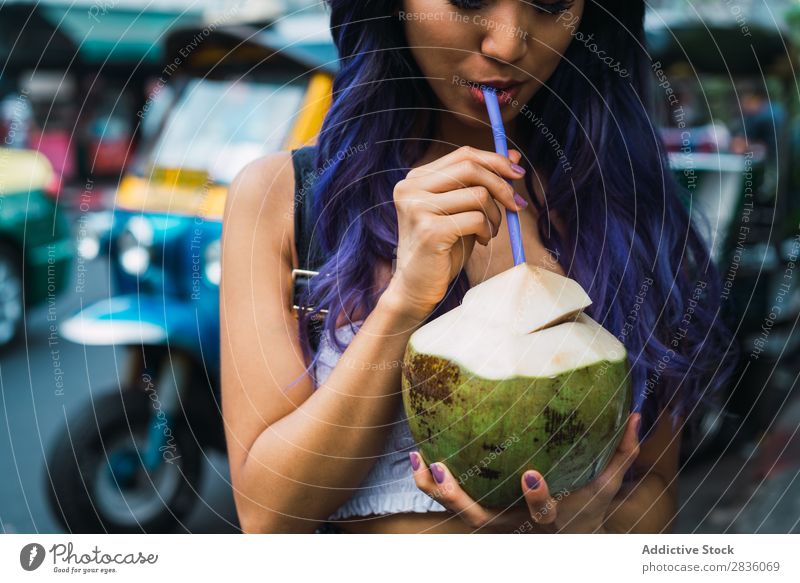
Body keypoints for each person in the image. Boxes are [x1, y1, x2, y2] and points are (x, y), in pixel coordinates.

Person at [220, 0, 735, 534]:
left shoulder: (626, 210)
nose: (508, 44)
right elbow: (268, 513)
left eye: (552, 3)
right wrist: (403, 303)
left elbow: (653, 487)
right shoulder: (282, 199)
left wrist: (586, 533)